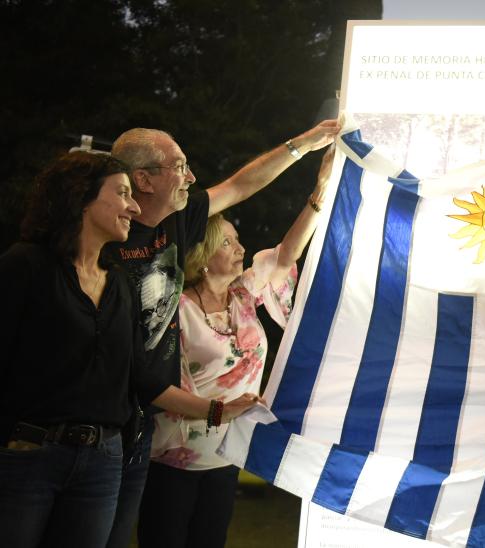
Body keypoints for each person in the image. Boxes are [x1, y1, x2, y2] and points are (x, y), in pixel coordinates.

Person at [0, 152, 259, 548]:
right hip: (30, 455)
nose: (133, 206)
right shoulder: (26, 266)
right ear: (80, 198)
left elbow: (141, 376)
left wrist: (219, 409)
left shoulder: (117, 281)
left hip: (103, 458)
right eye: (122, 193)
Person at [104, 119, 339, 547]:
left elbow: (243, 191)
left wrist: (305, 153)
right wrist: (216, 411)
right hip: (153, 445)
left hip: (209, 449)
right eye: (179, 166)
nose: (190, 177)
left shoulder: (239, 294)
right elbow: (147, 374)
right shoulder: (126, 259)